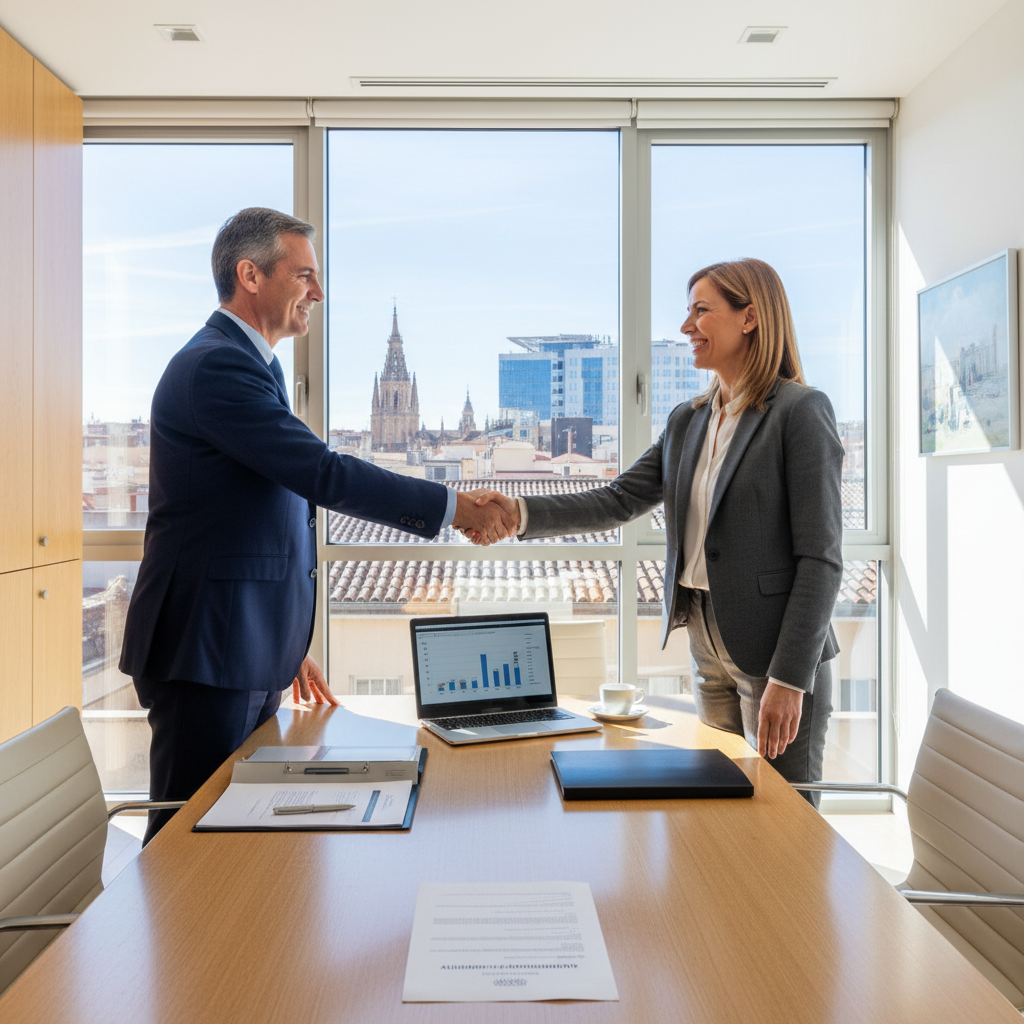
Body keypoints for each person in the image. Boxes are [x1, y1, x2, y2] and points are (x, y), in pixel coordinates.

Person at [120, 207, 515, 842]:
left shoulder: (256, 366)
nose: (319, 292)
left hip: (239, 646)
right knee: (186, 851)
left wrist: (281, 641)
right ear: (250, 275)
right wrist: (454, 508)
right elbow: (320, 473)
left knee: (240, 841)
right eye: (304, 275)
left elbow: (252, 518)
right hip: (204, 652)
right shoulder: (215, 367)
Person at [470, 259, 843, 802]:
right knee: (721, 806)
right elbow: (618, 499)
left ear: (750, 318)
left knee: (785, 819)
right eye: (687, 312)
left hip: (777, 650)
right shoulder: (687, 420)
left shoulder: (800, 412)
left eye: (701, 311)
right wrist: (519, 512)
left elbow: (821, 558)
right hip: (706, 641)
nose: (687, 326)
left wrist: (790, 677)